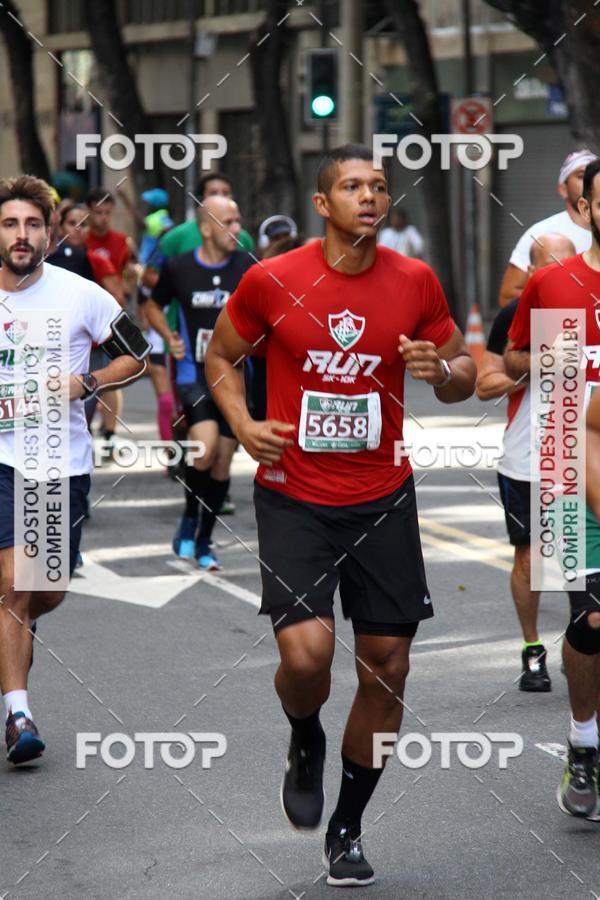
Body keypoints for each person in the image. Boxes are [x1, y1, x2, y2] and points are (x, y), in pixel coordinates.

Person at [206, 143, 476, 886]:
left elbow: (465, 373)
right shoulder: (273, 279)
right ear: (322, 204)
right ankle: (304, 735)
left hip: (382, 497)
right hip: (294, 493)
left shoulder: (415, 281)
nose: (369, 195)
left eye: (380, 186)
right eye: (352, 186)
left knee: (388, 670)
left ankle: (348, 827)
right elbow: (222, 356)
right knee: (306, 658)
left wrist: (440, 372)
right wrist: (241, 423)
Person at [0, 175, 145, 764]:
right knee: (12, 583)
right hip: (1, 460)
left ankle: (13, 644)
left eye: (33, 224)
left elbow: (139, 353)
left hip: (60, 463)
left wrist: (88, 381)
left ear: (52, 232)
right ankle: (19, 713)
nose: (22, 234)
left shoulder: (81, 294)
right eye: (10, 223)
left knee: (45, 592)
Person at [505, 158, 600, 819]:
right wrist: (547, 358)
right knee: (592, 620)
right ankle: (584, 742)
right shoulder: (555, 282)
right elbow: (509, 358)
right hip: (568, 464)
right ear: (586, 209)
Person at [476, 233, 576, 691]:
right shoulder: (514, 316)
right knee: (531, 559)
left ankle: (582, 648)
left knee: (580, 561)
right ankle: (532, 649)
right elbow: (484, 384)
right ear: (532, 274)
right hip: (527, 458)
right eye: (550, 266)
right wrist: (539, 363)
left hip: (582, 456)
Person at [146, 195, 254, 570]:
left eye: (239, 220)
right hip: (194, 374)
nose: (237, 229)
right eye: (229, 222)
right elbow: (152, 304)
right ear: (206, 228)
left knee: (222, 463)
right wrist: (169, 336)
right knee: (203, 449)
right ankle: (190, 516)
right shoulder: (178, 268)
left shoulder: (246, 266)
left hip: (238, 376)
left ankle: (206, 539)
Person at [497, 148, 597, 307]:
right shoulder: (541, 234)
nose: (589, 182)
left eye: (594, 177)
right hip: (560, 326)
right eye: (580, 176)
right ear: (563, 189)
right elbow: (507, 296)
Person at [86, 187, 134, 450]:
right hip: (85, 319)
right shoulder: (82, 242)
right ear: (89, 212)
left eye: (107, 212)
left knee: (111, 377)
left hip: (113, 318)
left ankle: (110, 431)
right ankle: (85, 427)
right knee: (88, 376)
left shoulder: (121, 241)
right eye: (98, 212)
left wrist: (126, 285)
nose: (103, 217)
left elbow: (129, 272)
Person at [158, 173, 255, 261]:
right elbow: (153, 274)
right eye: (213, 193)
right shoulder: (175, 237)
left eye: (226, 193)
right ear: (201, 199)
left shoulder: (243, 239)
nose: (220, 197)